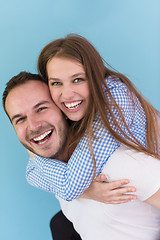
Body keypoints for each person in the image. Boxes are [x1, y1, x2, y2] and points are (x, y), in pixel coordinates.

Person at [3, 72, 160, 239]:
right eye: (20, 119)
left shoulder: (118, 163)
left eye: (41, 109)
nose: (33, 126)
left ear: (64, 108)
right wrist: (84, 191)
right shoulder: (50, 169)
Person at [25, 34, 160, 201]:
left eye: (78, 79)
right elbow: (31, 174)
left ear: (95, 75)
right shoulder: (72, 108)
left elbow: (69, 186)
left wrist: (32, 151)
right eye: (56, 83)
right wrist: (89, 191)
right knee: (58, 223)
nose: (67, 94)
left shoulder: (115, 102)